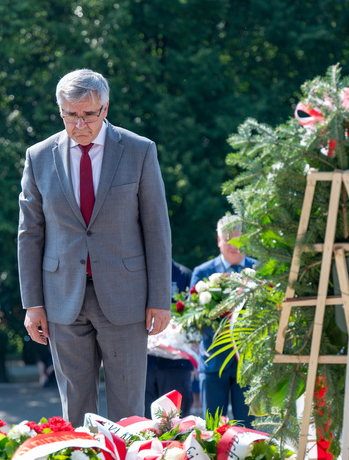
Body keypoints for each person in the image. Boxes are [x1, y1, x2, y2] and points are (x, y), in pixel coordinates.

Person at [18, 68, 173, 425]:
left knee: (129, 412)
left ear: (105, 108)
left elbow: (156, 229)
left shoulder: (139, 151)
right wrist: (33, 304)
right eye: (70, 115)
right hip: (61, 300)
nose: (79, 123)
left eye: (88, 114)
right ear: (61, 112)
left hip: (126, 298)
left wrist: (160, 299)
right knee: (75, 412)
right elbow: (30, 234)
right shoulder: (39, 156)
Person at [190, 215, 258, 426]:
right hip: (213, 364)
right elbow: (193, 318)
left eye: (239, 239)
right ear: (219, 241)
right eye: (228, 239)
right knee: (212, 430)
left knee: (248, 431)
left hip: (248, 365)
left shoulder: (261, 271)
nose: (234, 245)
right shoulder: (203, 273)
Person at [145, 260, 196, 414]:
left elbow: (195, 314)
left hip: (176, 365)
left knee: (176, 420)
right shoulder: (137, 272)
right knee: (143, 421)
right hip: (144, 362)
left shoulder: (185, 275)